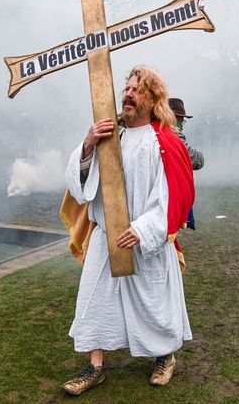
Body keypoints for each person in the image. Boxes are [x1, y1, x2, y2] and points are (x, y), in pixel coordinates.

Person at [61, 65, 194, 395]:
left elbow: (171, 194)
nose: (129, 94)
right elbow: (82, 188)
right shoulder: (110, 135)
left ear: (153, 99)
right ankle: (94, 367)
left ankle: (165, 356)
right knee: (95, 302)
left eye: (137, 90)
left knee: (154, 304)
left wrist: (143, 229)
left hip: (145, 240)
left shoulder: (162, 141)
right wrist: (89, 145)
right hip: (107, 238)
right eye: (127, 89)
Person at [168, 98, 204, 170]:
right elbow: (197, 160)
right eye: (181, 122)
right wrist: (175, 132)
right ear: (173, 119)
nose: (182, 127)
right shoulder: (172, 137)